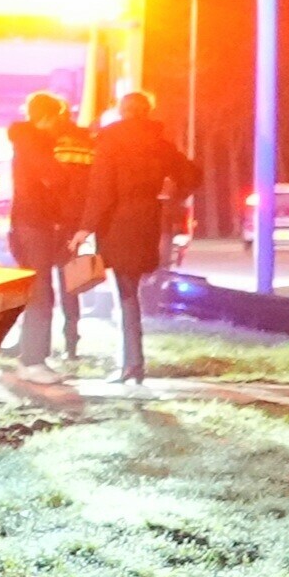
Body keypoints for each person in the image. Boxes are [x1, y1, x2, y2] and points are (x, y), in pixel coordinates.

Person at [78, 89, 199, 384]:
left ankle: (131, 364)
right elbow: (193, 174)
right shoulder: (159, 144)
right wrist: (173, 194)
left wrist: (86, 226)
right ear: (146, 111)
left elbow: (101, 189)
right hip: (146, 221)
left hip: (118, 223)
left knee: (126, 295)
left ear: (122, 111)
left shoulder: (110, 140)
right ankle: (133, 363)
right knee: (131, 293)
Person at [4, 93, 86, 366]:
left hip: (30, 222)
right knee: (42, 292)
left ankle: (32, 352)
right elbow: (54, 176)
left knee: (38, 289)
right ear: (46, 117)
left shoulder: (26, 140)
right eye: (55, 118)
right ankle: (33, 360)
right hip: (37, 223)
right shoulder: (35, 142)